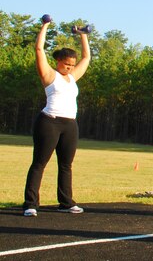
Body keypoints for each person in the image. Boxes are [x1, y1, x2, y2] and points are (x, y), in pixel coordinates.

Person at [23, 17, 91, 217]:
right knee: (39, 163)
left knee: (66, 165)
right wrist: (45, 26)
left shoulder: (72, 78)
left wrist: (83, 36)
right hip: (49, 122)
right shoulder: (49, 75)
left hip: (70, 124)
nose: (70, 67)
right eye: (67, 64)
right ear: (58, 62)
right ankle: (30, 204)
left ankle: (66, 202)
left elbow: (86, 58)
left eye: (72, 65)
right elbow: (38, 50)